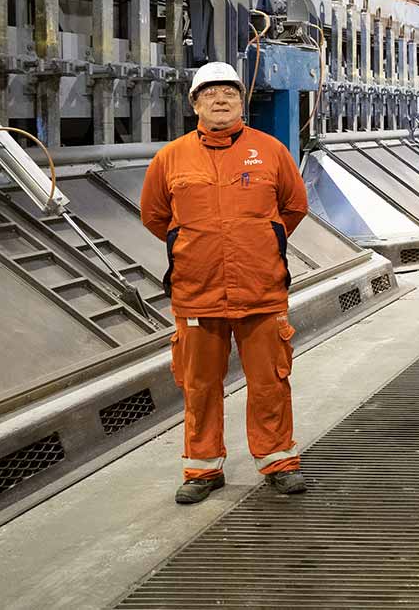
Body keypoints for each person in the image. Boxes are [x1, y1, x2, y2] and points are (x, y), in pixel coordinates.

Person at [139, 61, 309, 504]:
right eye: (210, 93)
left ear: (241, 101)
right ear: (194, 102)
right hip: (197, 292)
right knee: (198, 386)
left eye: (229, 92)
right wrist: (195, 244)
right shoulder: (170, 158)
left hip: (260, 289)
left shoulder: (270, 151)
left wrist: (258, 240)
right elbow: (156, 216)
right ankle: (203, 469)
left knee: (270, 381)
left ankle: (278, 462)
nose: (220, 100)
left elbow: (293, 207)